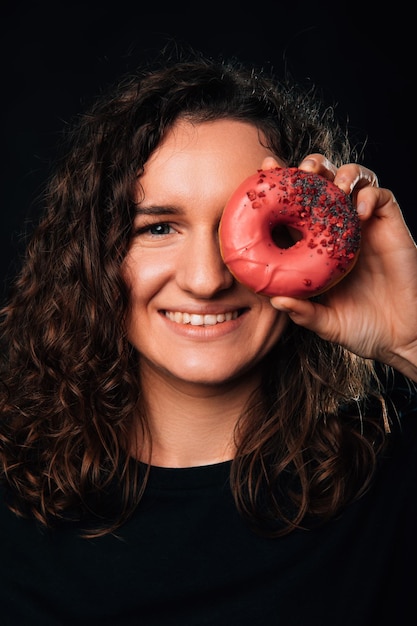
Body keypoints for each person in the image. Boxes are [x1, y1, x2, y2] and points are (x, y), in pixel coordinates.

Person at [0, 47, 416, 626]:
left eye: (238, 227)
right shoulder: (13, 497)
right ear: (93, 256)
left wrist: (410, 334)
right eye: (159, 227)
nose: (204, 280)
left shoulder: (392, 481)